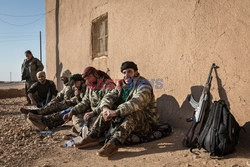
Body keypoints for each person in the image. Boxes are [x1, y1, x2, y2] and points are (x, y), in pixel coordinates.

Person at [74, 61, 159, 157]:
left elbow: (135, 102)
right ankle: (93, 136)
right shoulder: (121, 85)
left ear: (135, 72)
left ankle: (114, 143)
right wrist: (106, 109)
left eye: (129, 72)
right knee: (106, 109)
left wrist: (116, 112)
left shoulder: (143, 85)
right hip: (124, 117)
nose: (127, 75)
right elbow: (109, 97)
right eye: (124, 72)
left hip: (145, 122)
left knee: (136, 113)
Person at [62, 66, 116, 133]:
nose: (87, 81)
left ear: (95, 75)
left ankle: (89, 132)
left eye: (89, 78)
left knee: (94, 121)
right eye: (86, 79)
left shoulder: (108, 85)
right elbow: (85, 102)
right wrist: (72, 111)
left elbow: (107, 105)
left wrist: (93, 113)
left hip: (102, 114)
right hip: (92, 113)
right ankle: (83, 132)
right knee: (75, 116)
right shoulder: (90, 85)